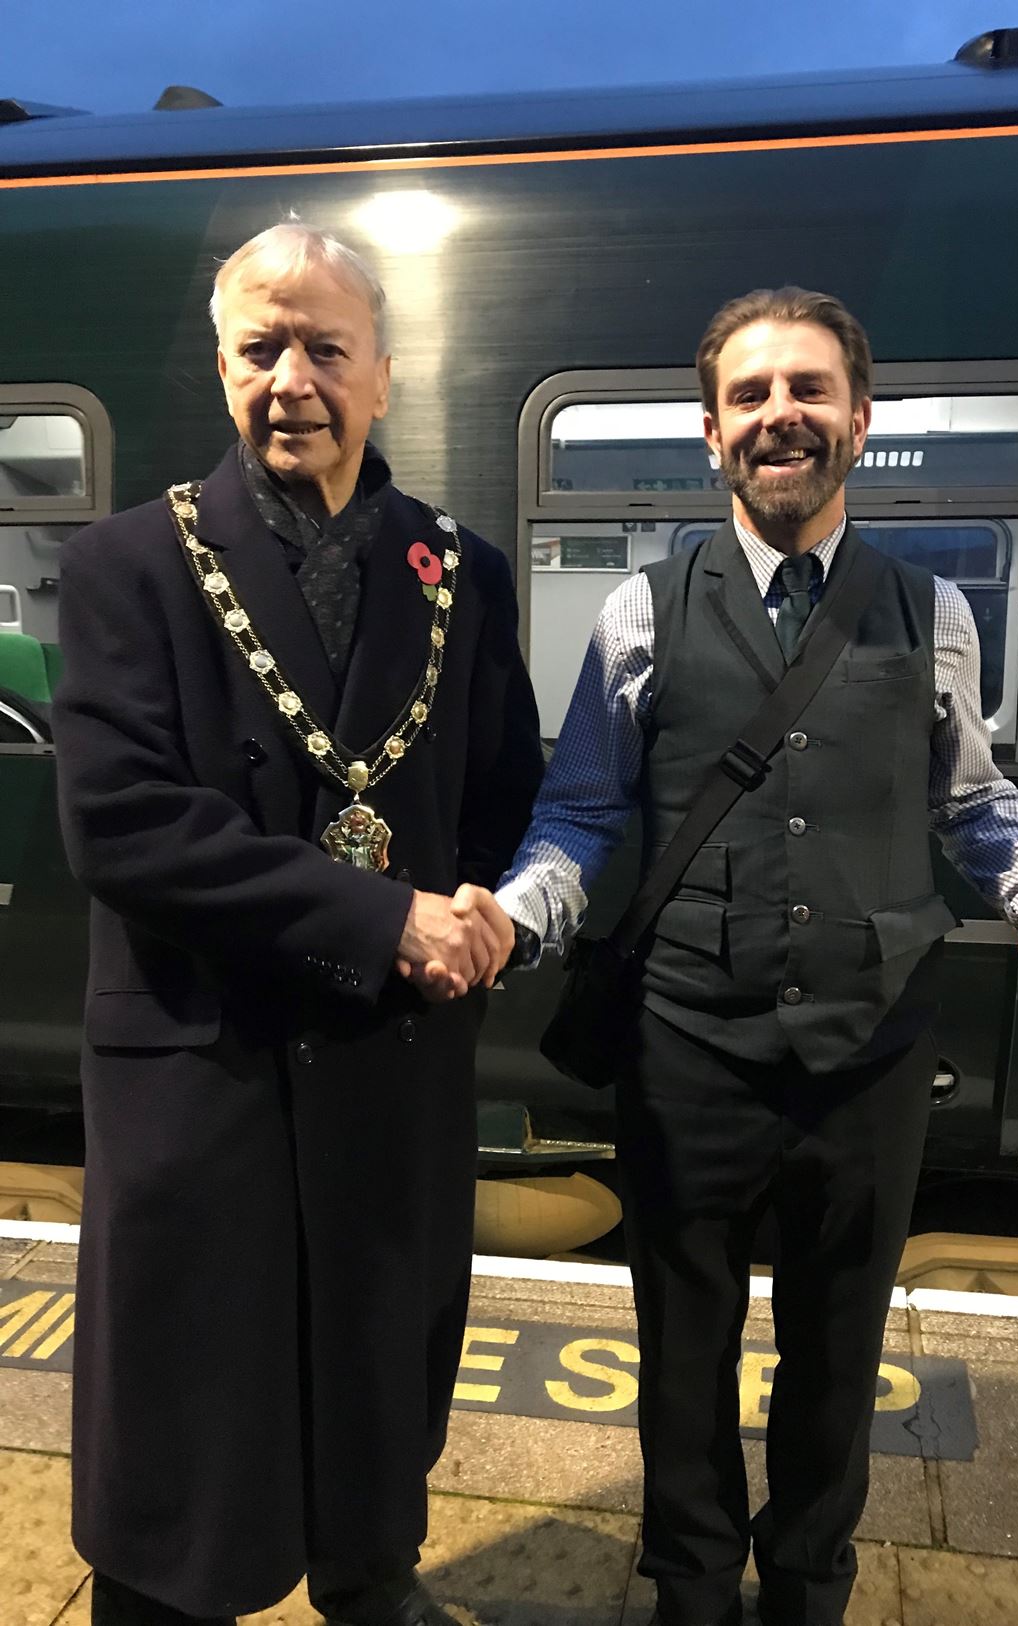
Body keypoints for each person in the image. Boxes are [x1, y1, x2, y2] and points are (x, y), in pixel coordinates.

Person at [495, 286, 1018, 1626]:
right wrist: (512, 918)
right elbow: (577, 817)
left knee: (838, 1353)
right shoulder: (636, 613)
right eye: (749, 396)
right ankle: (692, 1588)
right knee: (683, 1353)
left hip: (872, 1052)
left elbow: (980, 816)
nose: (777, 415)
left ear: (859, 418)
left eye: (806, 389)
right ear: (709, 431)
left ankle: (807, 1590)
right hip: (686, 1050)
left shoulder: (934, 613)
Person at [54, 223, 539, 1626]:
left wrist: (486, 911)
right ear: (222, 370)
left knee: (375, 1424)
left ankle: (370, 1574)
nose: (294, 379)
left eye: (327, 346)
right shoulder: (128, 566)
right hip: (201, 1081)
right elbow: (127, 829)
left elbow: (501, 791)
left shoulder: (463, 571)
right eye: (262, 346)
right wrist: (390, 917)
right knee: (184, 1462)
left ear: (384, 372)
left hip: (390, 1081)